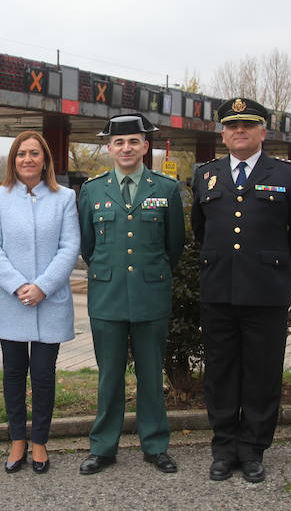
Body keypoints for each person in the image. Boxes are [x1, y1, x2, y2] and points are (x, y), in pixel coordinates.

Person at [191, 98, 291, 483]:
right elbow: (201, 230)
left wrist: (268, 259)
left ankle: (253, 449)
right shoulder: (205, 175)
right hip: (218, 291)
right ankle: (224, 448)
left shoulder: (289, 174)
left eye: (248, 125)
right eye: (232, 126)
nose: (239, 131)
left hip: (266, 291)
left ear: (263, 132)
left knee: (262, 374)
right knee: (221, 372)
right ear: (223, 134)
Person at [77, 114, 185, 476]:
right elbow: (88, 247)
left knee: (152, 377)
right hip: (107, 297)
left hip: (150, 296)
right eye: (119, 142)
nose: (126, 148)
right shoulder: (92, 190)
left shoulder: (166, 189)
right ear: (109, 148)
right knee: (110, 377)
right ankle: (103, 447)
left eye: (133, 141)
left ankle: (155, 445)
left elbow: (174, 247)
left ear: (145, 146)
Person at [0, 131, 79, 474]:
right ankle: (16, 440)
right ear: (13, 159)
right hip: (12, 300)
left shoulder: (64, 197)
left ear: (45, 160)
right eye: (21, 154)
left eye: (34, 153)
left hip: (49, 301)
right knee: (13, 374)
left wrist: (43, 287)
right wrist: (19, 285)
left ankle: (39, 441)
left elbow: (69, 247)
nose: (27, 159)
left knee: (43, 376)